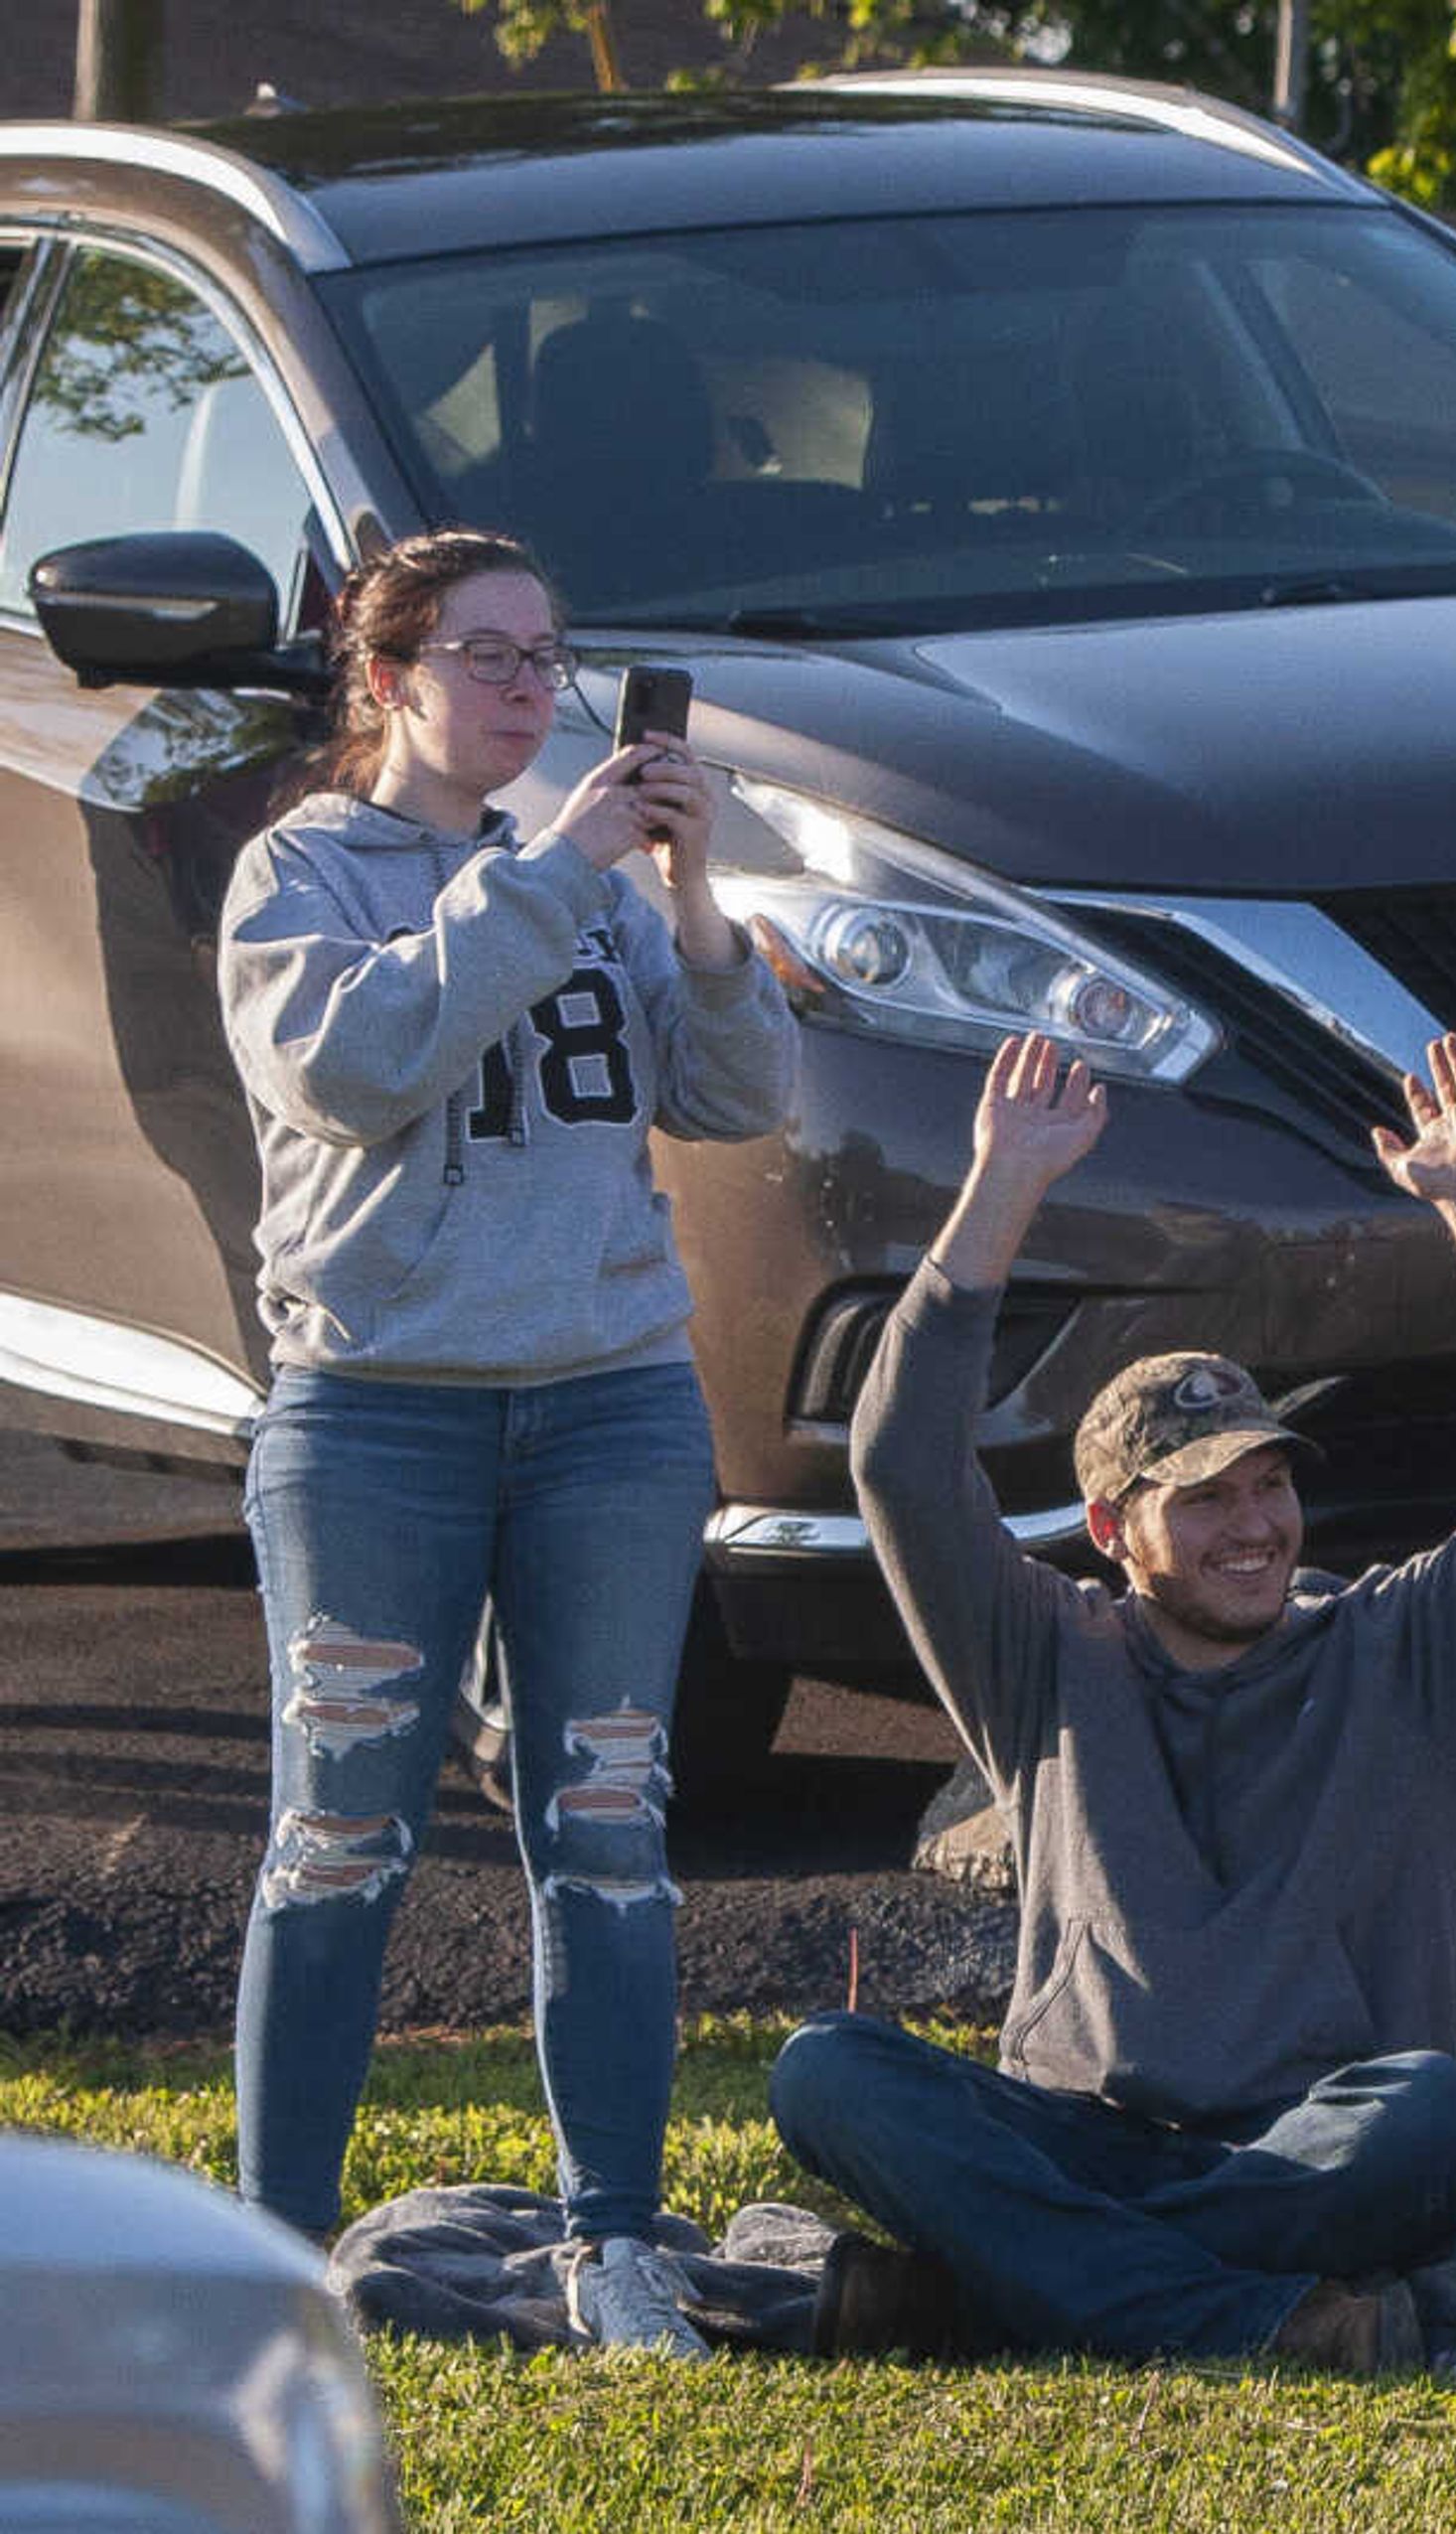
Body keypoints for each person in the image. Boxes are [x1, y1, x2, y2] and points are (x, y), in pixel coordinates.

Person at [766, 1029, 1456, 2369]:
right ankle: (1232, 2313)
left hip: (1315, 2139)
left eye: (1272, 1481)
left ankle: (1008, 2279)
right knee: (824, 2066)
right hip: (1081, 2127)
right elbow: (901, 1465)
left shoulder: (1409, 1644)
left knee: (1434, 2118)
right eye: (1208, 1495)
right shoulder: (1042, 1653)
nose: (1256, 1522)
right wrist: (1000, 1190)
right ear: (1114, 1526)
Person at [218, 528, 795, 2356]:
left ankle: (614, 2238)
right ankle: (272, 2262)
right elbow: (369, 1061)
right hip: (377, 1413)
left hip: (610, 1407)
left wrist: (696, 902)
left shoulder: (606, 887)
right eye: (487, 655)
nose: (533, 690)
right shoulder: (296, 875)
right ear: (385, 681)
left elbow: (740, 1092)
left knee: (608, 1827)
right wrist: (557, 868)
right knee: (340, 1838)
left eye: (550, 656)